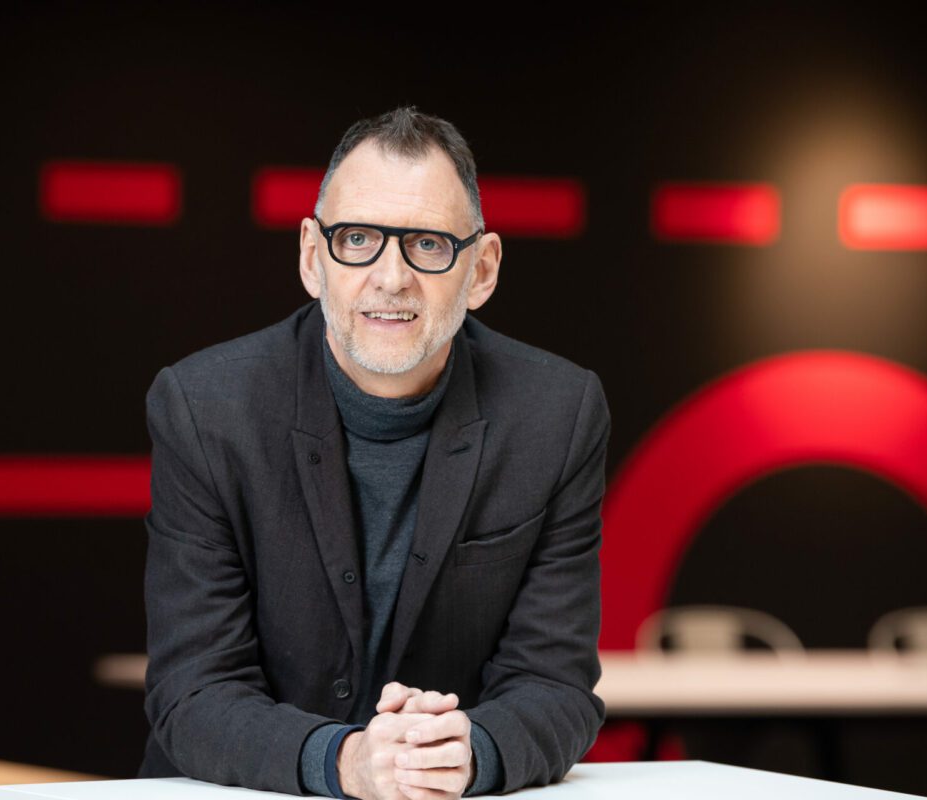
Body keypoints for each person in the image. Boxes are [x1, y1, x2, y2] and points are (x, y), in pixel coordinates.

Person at [139, 107, 609, 799]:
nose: (391, 277)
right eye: (357, 238)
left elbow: (555, 684)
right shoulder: (205, 408)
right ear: (312, 257)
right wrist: (344, 760)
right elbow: (193, 689)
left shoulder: (557, 414)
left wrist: (468, 753)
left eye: (427, 244)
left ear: (481, 270)